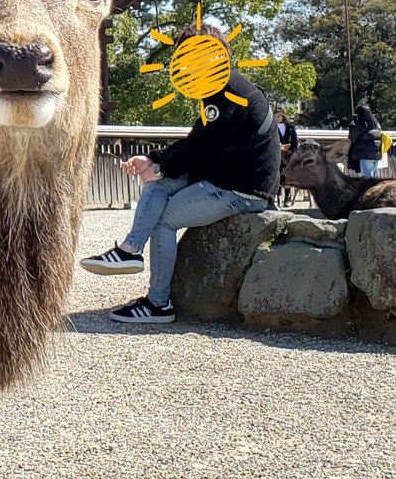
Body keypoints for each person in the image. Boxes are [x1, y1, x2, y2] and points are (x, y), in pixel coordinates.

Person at [80, 22, 281, 323]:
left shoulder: (228, 94)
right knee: (158, 187)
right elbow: (196, 142)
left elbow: (199, 150)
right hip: (223, 178)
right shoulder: (223, 87)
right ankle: (130, 250)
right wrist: (152, 160)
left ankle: (157, 304)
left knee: (163, 221)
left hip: (242, 191)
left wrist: (160, 168)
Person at [347, 98, 383, 178]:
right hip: (375, 154)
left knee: (366, 177)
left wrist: (351, 128)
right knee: (373, 176)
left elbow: (351, 139)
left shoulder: (359, 125)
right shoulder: (376, 124)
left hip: (365, 154)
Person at [274, 105, 299, 207]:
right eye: (275, 117)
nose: (277, 118)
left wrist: (291, 151)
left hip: (288, 154)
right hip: (277, 154)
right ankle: (278, 196)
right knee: (277, 175)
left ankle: (287, 198)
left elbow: (295, 141)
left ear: (283, 116)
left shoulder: (290, 127)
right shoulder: (273, 127)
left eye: (279, 116)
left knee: (288, 175)